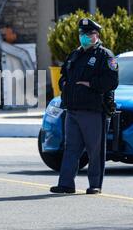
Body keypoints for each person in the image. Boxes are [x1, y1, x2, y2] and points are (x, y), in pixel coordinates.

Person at [50, 18, 119, 195]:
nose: (84, 37)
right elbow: (63, 75)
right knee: (71, 148)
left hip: (93, 110)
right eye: (82, 34)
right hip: (72, 109)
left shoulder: (105, 56)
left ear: (96, 35)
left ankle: (95, 184)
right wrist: (64, 85)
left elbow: (112, 81)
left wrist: (90, 84)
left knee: (95, 150)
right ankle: (66, 184)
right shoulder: (75, 54)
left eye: (88, 34)